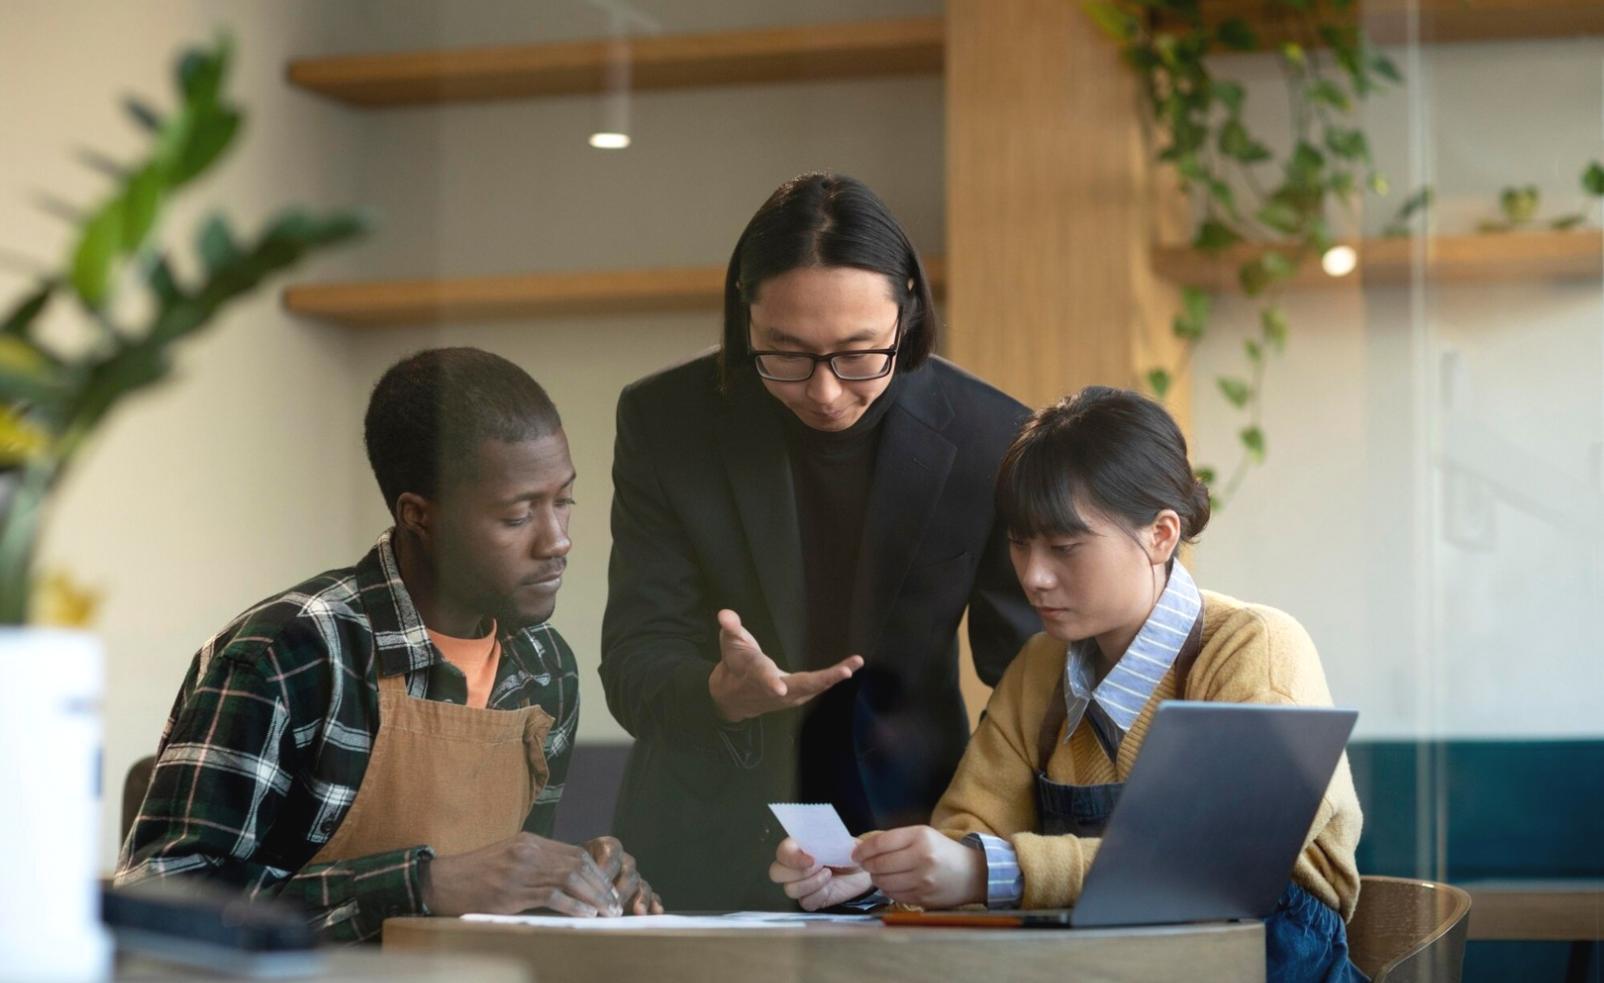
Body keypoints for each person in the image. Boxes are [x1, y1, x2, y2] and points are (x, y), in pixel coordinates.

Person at [769, 386, 1365, 982]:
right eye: (1020, 543)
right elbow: (969, 834)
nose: (1033, 577)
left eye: (1065, 547)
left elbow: (1216, 864)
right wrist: (882, 876)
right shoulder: (1039, 667)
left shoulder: (1254, 649)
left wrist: (983, 871)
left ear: (1161, 535)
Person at [601, 172, 1041, 909]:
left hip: (912, 831)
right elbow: (635, 655)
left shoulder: (988, 434)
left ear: (907, 307)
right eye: (787, 353)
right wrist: (719, 691)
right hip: (703, 832)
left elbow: (1028, 681)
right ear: (746, 313)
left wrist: (977, 839)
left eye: (859, 353)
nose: (826, 391)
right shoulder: (666, 421)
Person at [117, 347, 661, 942]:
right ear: (419, 516)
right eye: (516, 516)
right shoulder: (289, 653)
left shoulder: (546, 666)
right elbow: (157, 900)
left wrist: (571, 885)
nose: (557, 541)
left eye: (563, 502)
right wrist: (421, 885)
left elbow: (496, 912)